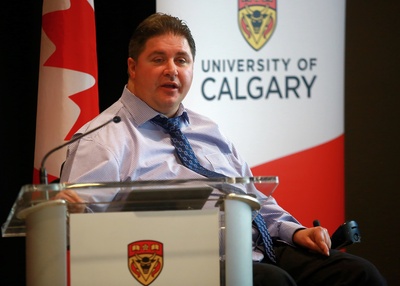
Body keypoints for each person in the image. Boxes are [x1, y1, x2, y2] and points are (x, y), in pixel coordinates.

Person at [56, 13, 386, 285]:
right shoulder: (101, 138)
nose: (172, 69)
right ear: (132, 67)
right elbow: (79, 230)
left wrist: (295, 230)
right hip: (177, 266)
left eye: (181, 60)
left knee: (358, 274)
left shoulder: (207, 128)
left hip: (257, 248)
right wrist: (70, 215)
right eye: (158, 59)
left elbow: (252, 197)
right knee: (274, 282)